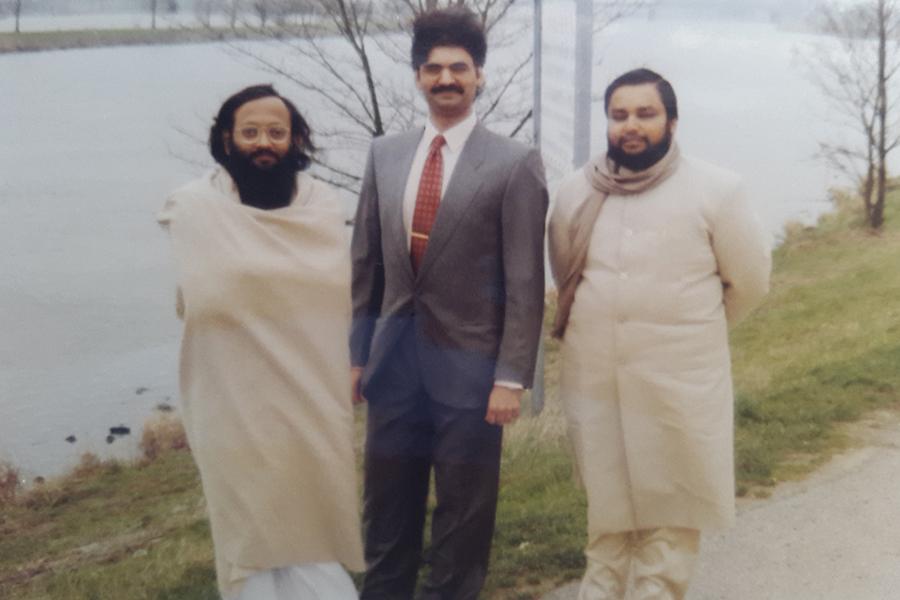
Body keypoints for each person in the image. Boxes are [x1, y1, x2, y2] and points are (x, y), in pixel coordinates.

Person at [548, 68, 771, 600]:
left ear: (672, 121)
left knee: (668, 530)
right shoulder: (576, 191)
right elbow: (566, 275)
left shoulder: (716, 190)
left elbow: (750, 284)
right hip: (597, 383)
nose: (632, 125)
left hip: (679, 386)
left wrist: (684, 334)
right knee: (606, 523)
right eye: (620, 114)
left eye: (646, 114)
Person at [350, 7, 549, 599]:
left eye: (458, 68)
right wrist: (357, 357)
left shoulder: (515, 164)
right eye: (433, 68)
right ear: (417, 76)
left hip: (472, 373)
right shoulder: (384, 155)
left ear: (479, 76)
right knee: (385, 518)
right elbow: (366, 264)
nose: (446, 79)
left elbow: (524, 282)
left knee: (462, 524)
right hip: (392, 367)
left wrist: (512, 378)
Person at [158, 84, 365, 600]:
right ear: (226, 139)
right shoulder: (192, 209)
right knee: (248, 528)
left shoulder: (323, 209)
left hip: (312, 397)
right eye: (249, 132)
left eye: (276, 131)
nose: (263, 142)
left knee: (312, 518)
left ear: (296, 139)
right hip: (230, 401)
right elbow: (198, 301)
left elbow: (340, 301)